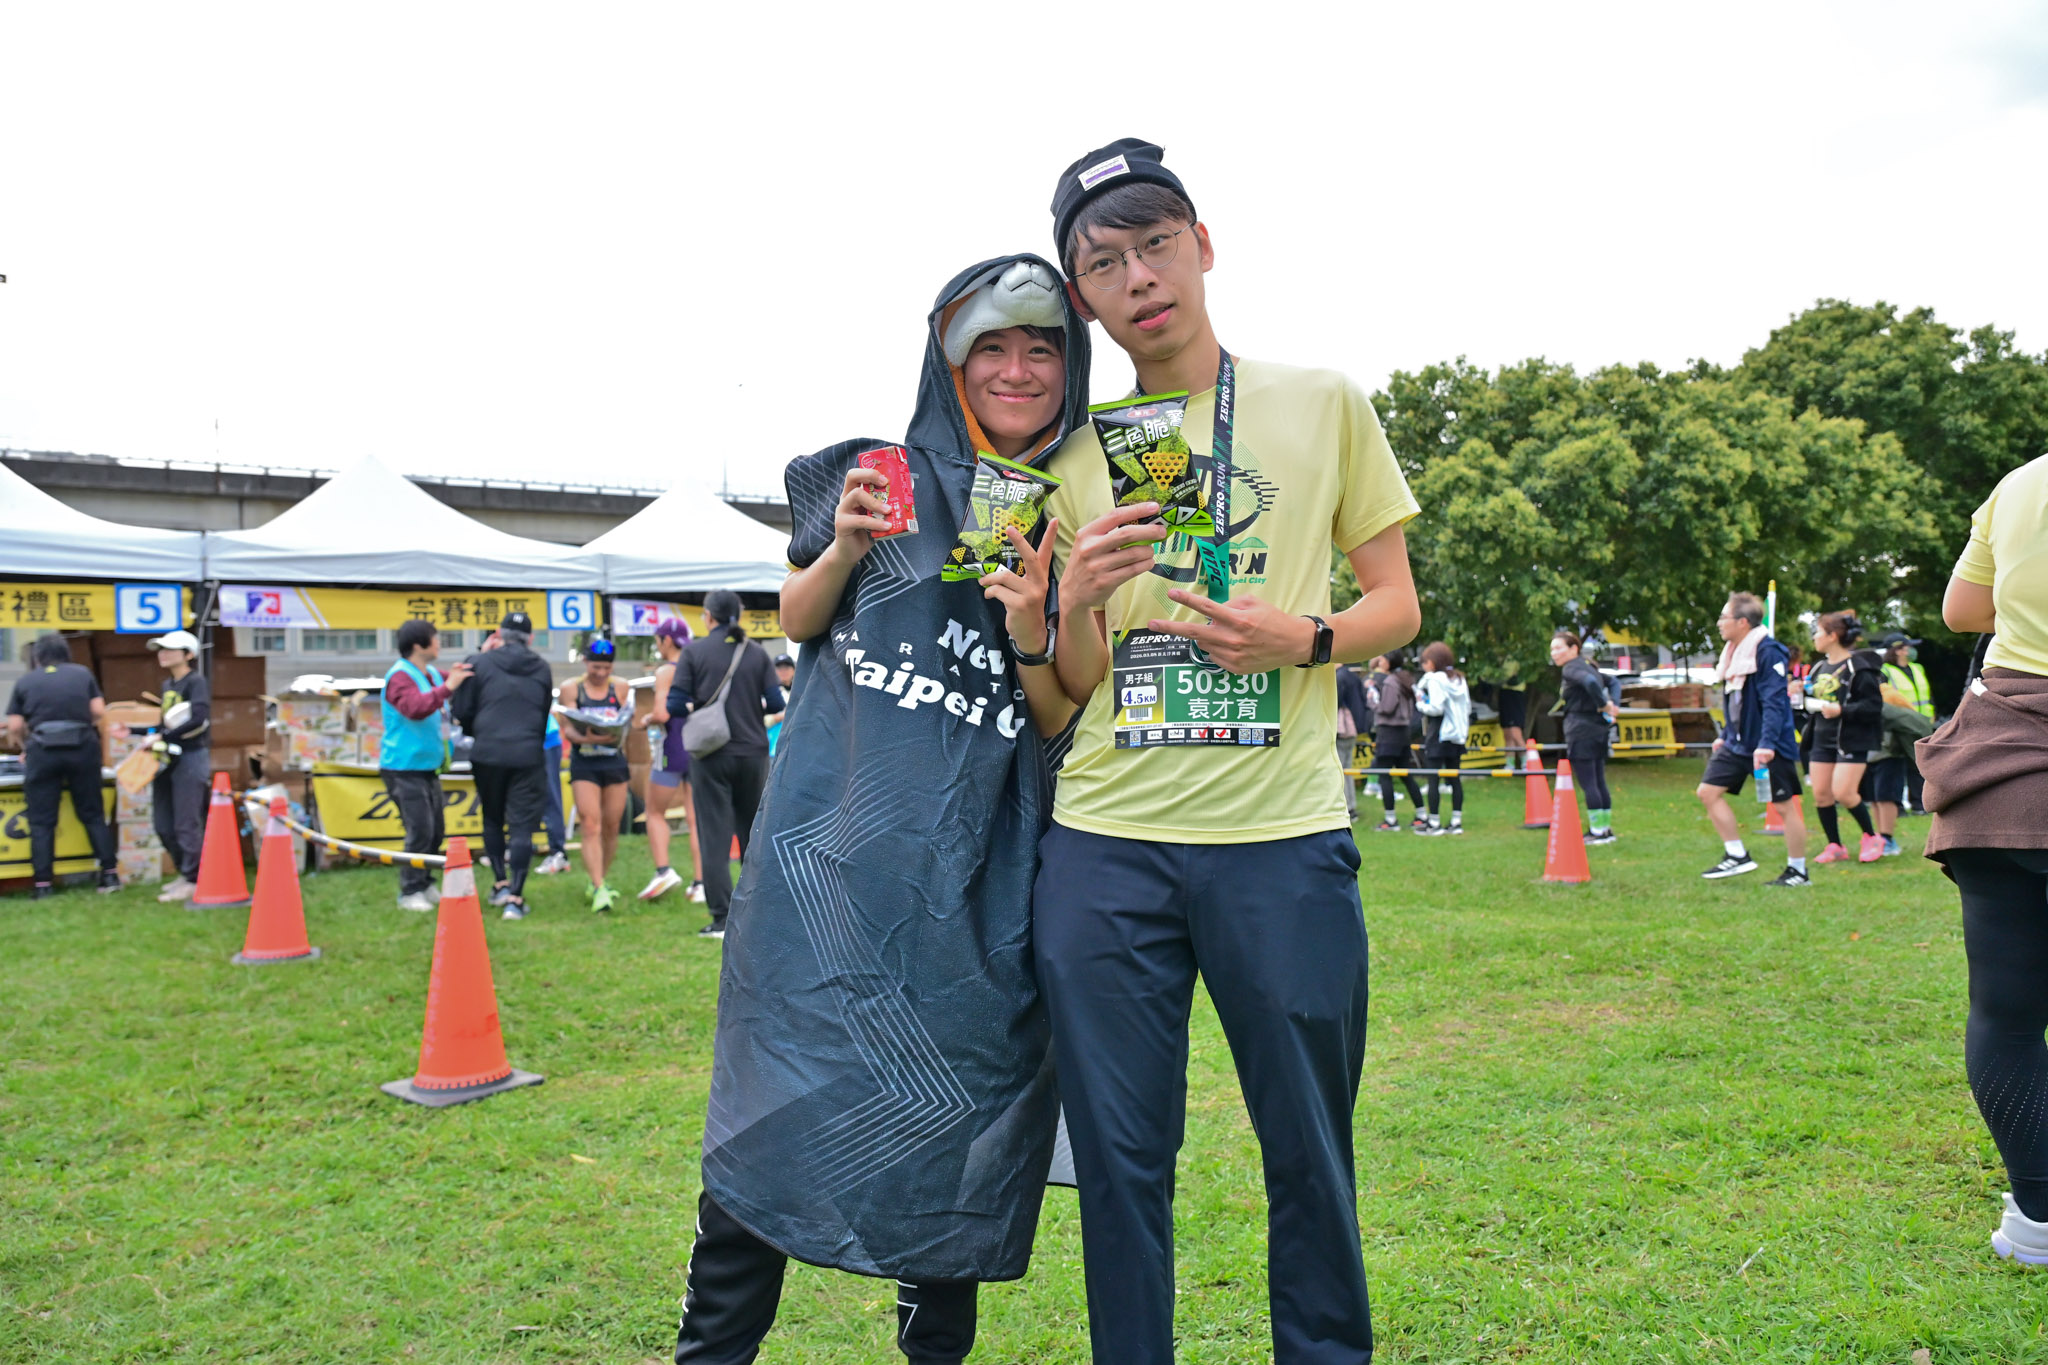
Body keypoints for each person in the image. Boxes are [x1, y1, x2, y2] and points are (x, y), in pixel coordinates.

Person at [1037, 138, 1421, 1365]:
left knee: (1307, 1149)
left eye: (1154, 245)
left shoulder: (1319, 401)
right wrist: (1073, 602)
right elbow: (1072, 687)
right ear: (1081, 294)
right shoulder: (1072, 455)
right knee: (1118, 1162)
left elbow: (1395, 605)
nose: (1138, 278)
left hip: (1279, 842)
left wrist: (1303, 637)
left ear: (1200, 246)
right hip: (1105, 847)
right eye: (1105, 263)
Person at [676, 254, 1083, 1364]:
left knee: (950, 1133)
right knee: (765, 1136)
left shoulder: (1083, 505)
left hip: (975, 890)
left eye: (1041, 348)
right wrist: (849, 543)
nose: (1016, 369)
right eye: (989, 348)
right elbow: (798, 616)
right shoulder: (876, 472)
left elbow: (1063, 711)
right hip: (827, 873)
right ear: (948, 361)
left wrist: (1034, 623)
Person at [1920, 448, 2048, 1266]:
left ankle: (2039, 1216)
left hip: (2007, 770)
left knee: (2006, 1014)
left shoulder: (2023, 482)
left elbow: (1962, 609)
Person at [667, 590, 783, 939]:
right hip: (753, 754)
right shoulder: (756, 653)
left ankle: (721, 918)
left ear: (708, 616)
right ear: (740, 615)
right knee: (753, 835)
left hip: (711, 756)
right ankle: (756, 913)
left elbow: (674, 705)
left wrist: (701, 709)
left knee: (714, 837)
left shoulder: (694, 652)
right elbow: (776, 702)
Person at [1694, 593, 1808, 884]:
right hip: (1737, 743)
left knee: (1783, 806)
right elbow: (1736, 701)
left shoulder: (1768, 651)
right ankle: (1737, 856)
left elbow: (1774, 702)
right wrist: (1726, 735)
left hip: (1769, 744)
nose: (1719, 623)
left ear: (1742, 622)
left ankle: (1798, 871)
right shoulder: (1732, 652)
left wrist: (1767, 744)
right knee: (1708, 792)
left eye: (1724, 617)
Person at [449, 610, 554, 921]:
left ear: (498, 634)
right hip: (527, 752)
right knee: (522, 826)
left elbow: (462, 710)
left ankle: (499, 883)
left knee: (492, 818)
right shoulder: (542, 668)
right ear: (530, 638)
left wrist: (480, 731)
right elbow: (543, 711)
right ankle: (516, 898)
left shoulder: (479, 663)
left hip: (488, 751)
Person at [5, 633, 117, 897]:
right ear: (66, 653)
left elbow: (15, 725)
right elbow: (99, 711)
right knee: (92, 813)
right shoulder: (82, 674)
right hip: (82, 748)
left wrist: (24, 746)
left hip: (43, 751)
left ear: (37, 657)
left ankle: (43, 885)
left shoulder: (26, 681)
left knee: (41, 821)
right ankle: (109, 875)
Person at [380, 620, 471, 911]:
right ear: (419, 645)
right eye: (435, 638)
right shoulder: (400, 677)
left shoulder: (428, 673)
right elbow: (415, 708)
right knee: (419, 829)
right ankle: (409, 891)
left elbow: (455, 678)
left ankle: (425, 882)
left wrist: (480, 657)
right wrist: (448, 687)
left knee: (435, 830)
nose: (439, 643)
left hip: (427, 766)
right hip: (403, 767)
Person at [1803, 611, 1884, 865]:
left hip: (1850, 740)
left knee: (1844, 793)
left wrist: (1842, 710)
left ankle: (1872, 837)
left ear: (1832, 636)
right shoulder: (1818, 668)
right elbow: (1810, 700)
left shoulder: (1858, 668)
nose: (1814, 637)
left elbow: (1873, 706)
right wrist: (1797, 693)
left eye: (1818, 632)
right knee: (1821, 794)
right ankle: (1835, 845)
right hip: (1820, 739)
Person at [558, 635, 632, 912]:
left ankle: (599, 878)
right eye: (595, 667)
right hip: (585, 762)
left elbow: (628, 721)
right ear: (585, 662)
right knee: (591, 824)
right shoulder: (571, 688)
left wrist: (615, 733)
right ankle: (599, 887)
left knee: (612, 826)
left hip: (614, 761)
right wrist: (588, 739)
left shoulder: (621, 687)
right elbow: (568, 727)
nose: (600, 673)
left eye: (606, 668)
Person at [636, 616, 703, 903]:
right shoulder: (699, 665)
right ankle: (700, 883)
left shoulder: (667, 670)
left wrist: (646, 720)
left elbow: (663, 714)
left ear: (665, 640)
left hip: (673, 746)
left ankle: (663, 870)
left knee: (654, 811)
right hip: (699, 746)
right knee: (696, 819)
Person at [145, 629, 212, 903]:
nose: (163, 654)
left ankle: (195, 879)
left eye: (170, 649)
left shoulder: (196, 682)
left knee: (186, 822)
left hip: (191, 757)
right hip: (167, 759)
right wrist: (137, 733)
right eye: (161, 649)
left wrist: (162, 736)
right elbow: (165, 724)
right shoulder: (167, 685)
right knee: (163, 823)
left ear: (188, 654)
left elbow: (198, 718)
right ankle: (185, 873)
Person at [1552, 630, 1619, 843]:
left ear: (1574, 649)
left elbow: (1590, 683)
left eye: (1559, 648)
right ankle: (1605, 829)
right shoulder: (1589, 664)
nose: (1554, 653)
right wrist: (1614, 705)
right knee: (1599, 780)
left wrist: (1604, 705)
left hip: (1581, 730)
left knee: (1589, 782)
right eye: (1552, 649)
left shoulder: (1571, 668)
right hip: (1599, 729)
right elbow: (1613, 682)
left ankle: (1596, 832)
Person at [1369, 649, 1428, 833]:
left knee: (1384, 774)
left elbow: (1386, 708)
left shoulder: (1391, 682)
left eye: (1383, 659)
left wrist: (1372, 701)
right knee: (1406, 774)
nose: (1380, 662)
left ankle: (1390, 820)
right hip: (1403, 732)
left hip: (1388, 733)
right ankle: (1422, 815)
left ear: (1390, 662)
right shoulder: (1406, 679)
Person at [1415, 641, 1470, 835]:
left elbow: (1436, 708)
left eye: (1425, 662)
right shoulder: (1459, 678)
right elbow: (1466, 707)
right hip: (1456, 734)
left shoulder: (1436, 679)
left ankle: (1434, 823)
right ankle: (1456, 821)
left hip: (1439, 732)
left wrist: (1421, 705)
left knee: (1433, 779)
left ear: (1432, 662)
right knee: (1455, 779)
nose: (1424, 666)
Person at [1877, 631, 1935, 813]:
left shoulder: (1917, 668)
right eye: (1908, 647)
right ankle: (1898, 807)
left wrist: (1932, 713)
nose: (1911, 650)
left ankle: (1919, 804)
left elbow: (1928, 694)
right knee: (1896, 764)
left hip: (1920, 724)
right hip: (1898, 724)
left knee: (1918, 764)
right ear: (1898, 650)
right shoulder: (1884, 671)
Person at [1335, 662, 1370, 822]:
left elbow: (1335, 702)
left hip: (1342, 729)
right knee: (1347, 769)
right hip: (1353, 728)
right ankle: (1351, 805)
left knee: (1340, 770)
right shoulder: (1353, 677)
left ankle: (1347, 807)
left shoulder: (1338, 677)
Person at [763, 652, 796, 758]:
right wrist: (783, 715)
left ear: (794, 670)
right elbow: (760, 721)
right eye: (779, 668)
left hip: (796, 747)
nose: (783, 671)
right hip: (772, 749)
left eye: (786, 668)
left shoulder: (801, 692)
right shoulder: (767, 694)